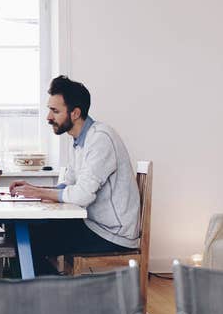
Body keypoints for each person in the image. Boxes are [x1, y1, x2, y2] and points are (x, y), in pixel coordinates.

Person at [9, 76, 140, 276]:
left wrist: (38, 191)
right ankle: (50, 293)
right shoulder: (79, 140)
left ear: (75, 113)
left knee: (27, 239)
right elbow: (67, 185)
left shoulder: (100, 139)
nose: (48, 117)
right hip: (93, 224)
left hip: (111, 233)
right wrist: (34, 189)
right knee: (21, 232)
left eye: (55, 111)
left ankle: (50, 296)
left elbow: (82, 195)